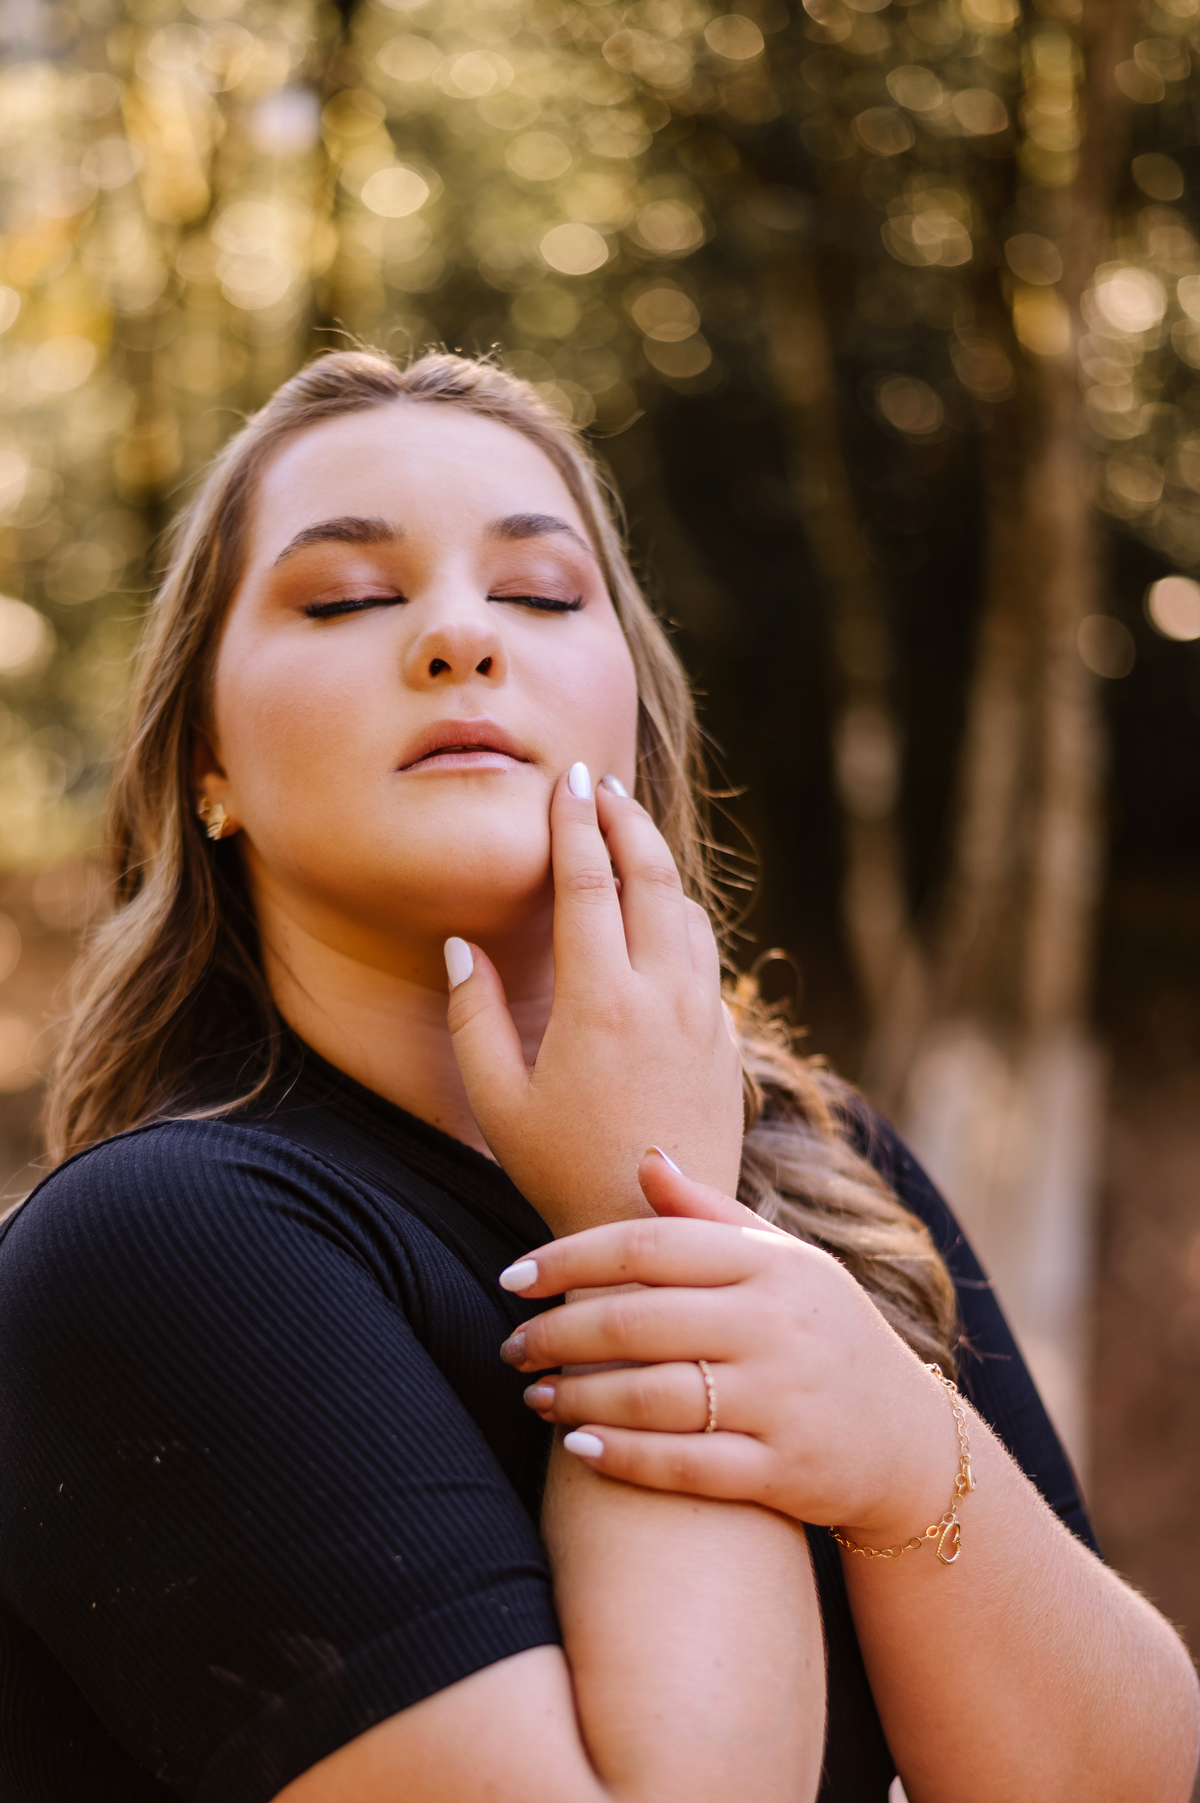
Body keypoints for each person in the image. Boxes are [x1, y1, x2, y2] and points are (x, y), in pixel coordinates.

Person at [0, 349, 1193, 1803]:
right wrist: (646, 1220)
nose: (459, 636)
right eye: (349, 597)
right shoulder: (150, 1252)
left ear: (631, 713)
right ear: (208, 760)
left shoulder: (831, 1167)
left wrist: (896, 1444)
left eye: (542, 593)